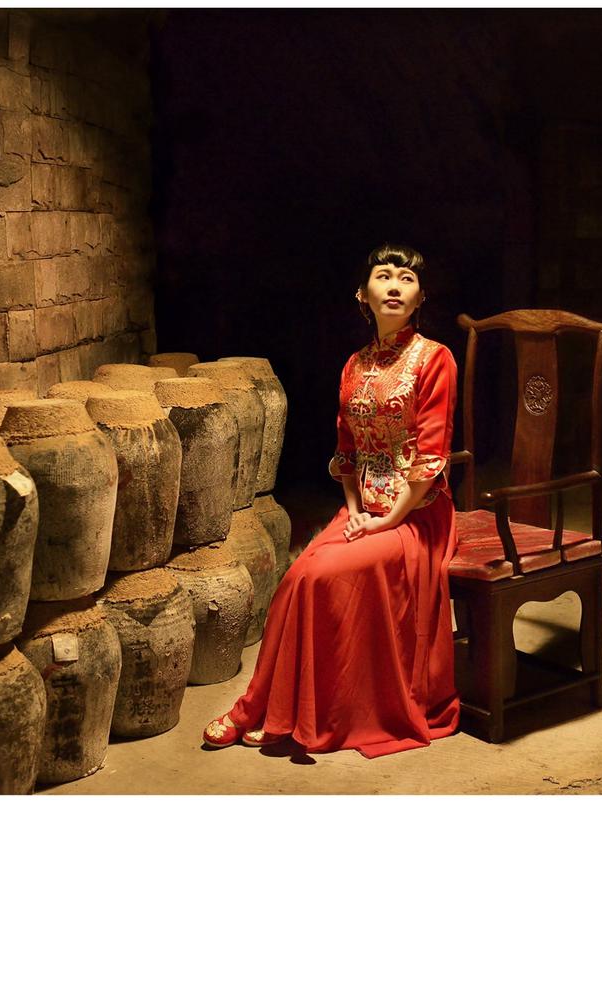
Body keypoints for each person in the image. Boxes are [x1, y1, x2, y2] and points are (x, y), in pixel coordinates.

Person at [202, 243, 460, 758]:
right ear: (362, 294)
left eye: (406, 278)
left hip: (416, 515)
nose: (394, 285)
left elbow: (431, 457)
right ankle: (267, 707)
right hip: (363, 510)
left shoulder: (435, 359)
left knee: (321, 575)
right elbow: (348, 451)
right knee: (296, 577)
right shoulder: (355, 365)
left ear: (420, 297)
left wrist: (385, 521)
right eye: (383, 275)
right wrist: (357, 511)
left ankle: (289, 711)